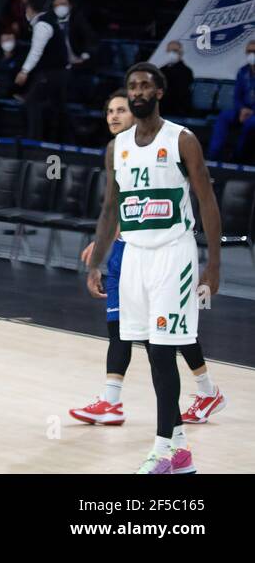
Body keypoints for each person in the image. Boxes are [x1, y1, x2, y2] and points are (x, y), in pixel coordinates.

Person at [86, 64, 223, 473]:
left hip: (172, 256)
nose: (138, 91)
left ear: (160, 92)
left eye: (146, 85)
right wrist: (97, 261)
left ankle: (164, 448)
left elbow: (207, 201)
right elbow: (112, 208)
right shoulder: (117, 147)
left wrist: (213, 264)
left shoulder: (182, 139)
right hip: (133, 259)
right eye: (132, 86)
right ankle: (179, 451)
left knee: (163, 351)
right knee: (150, 351)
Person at [15, 0, 73, 143]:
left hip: (53, 73)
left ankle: (34, 140)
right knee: (57, 107)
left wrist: (24, 71)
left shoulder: (42, 25)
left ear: (30, 10)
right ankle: (61, 141)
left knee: (31, 102)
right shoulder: (50, 21)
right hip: (60, 72)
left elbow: (36, 52)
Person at [206, 39, 255, 162]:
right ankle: (213, 155)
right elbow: (237, 97)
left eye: (254, 51)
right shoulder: (242, 71)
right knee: (223, 117)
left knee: (250, 123)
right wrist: (242, 109)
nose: (251, 54)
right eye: (249, 51)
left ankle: (239, 157)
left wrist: (251, 112)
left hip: (253, 114)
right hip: (243, 110)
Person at [159, 41, 194, 119]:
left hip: (177, 110)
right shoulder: (161, 70)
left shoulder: (186, 71)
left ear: (181, 53)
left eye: (175, 51)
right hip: (162, 108)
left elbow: (181, 93)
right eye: (169, 51)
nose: (172, 53)